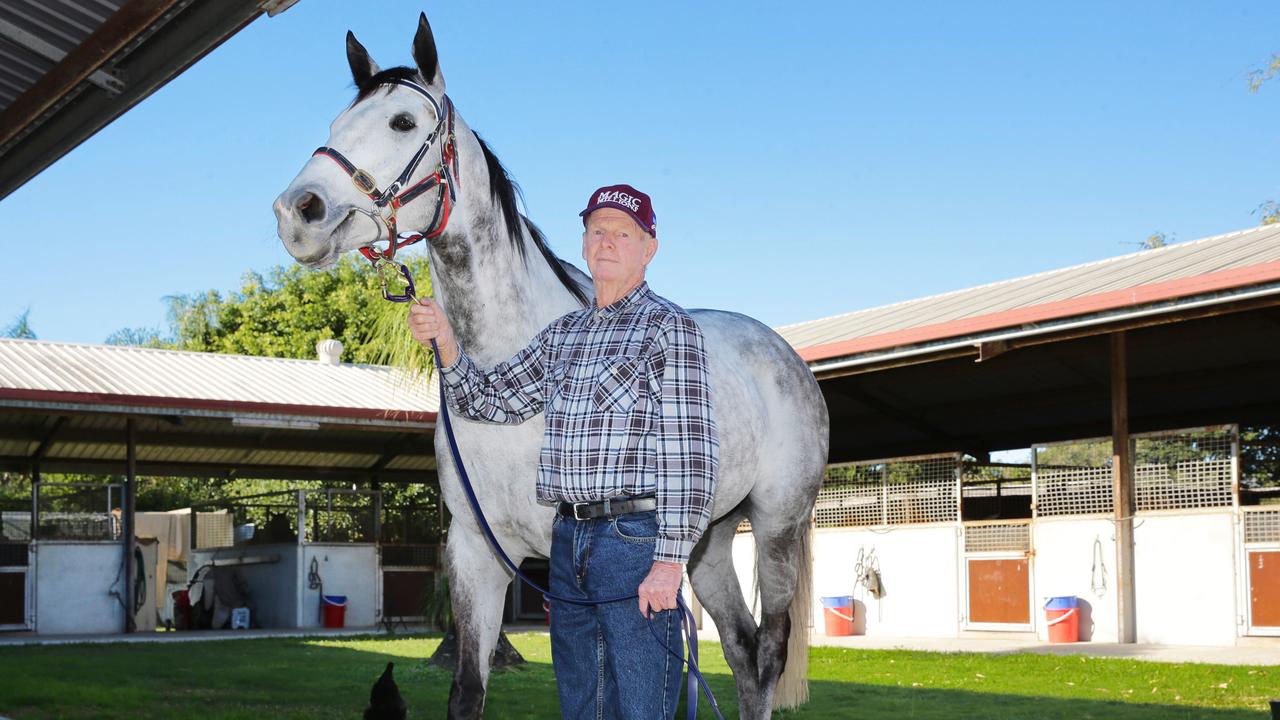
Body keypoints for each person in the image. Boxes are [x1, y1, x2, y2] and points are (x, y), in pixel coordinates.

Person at [407, 183, 719, 719]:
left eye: (624, 233)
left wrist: (669, 561)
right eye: (598, 231)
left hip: (634, 541)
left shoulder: (669, 329)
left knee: (642, 705)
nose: (608, 242)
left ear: (649, 248)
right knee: (581, 703)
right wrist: (447, 343)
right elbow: (491, 399)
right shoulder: (564, 335)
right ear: (583, 243)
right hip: (567, 538)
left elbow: (690, 454)